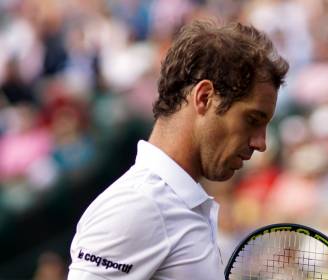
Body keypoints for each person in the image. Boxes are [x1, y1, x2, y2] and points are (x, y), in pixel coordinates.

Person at [67, 20, 288, 280]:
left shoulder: (180, 206)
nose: (261, 143)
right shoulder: (139, 206)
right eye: (252, 120)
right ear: (204, 97)